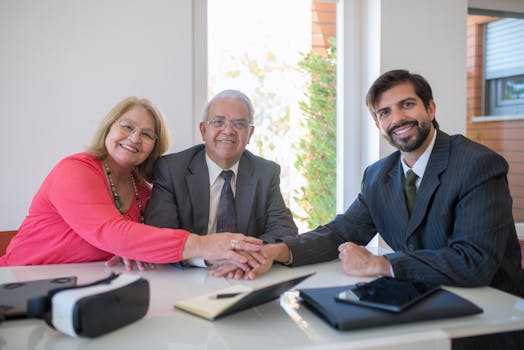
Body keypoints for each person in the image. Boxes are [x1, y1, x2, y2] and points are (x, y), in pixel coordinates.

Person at [213, 69, 524, 298]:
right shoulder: (378, 176)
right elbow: (341, 232)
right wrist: (275, 252)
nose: (398, 118)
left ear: (430, 108)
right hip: (421, 301)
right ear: (379, 125)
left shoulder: (477, 165)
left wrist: (381, 264)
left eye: (407, 105)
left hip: (492, 314)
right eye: (385, 112)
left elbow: (474, 262)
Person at [0, 96, 263, 269]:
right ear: (109, 128)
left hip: (88, 286)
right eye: (127, 127)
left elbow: (148, 238)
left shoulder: (144, 193)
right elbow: (111, 232)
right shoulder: (74, 171)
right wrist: (206, 244)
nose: (135, 138)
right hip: (19, 279)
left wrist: (138, 248)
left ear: (153, 148)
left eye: (147, 134)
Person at [144, 89, 297, 273]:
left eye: (239, 124)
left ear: (250, 133)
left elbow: (285, 231)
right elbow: (160, 234)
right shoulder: (171, 169)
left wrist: (241, 258)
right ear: (203, 130)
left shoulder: (265, 172)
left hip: (244, 275)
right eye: (218, 122)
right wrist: (207, 257)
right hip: (186, 276)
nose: (228, 131)